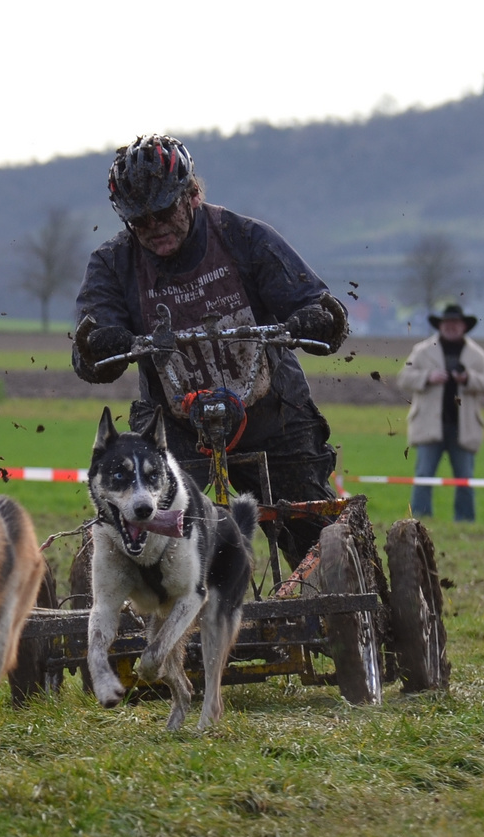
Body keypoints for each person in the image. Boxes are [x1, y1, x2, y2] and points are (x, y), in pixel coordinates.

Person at [69, 134, 350, 567]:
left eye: (163, 212)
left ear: (192, 195)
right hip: (177, 425)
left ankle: (338, 605)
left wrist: (314, 318)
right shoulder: (112, 263)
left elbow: (316, 304)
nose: (154, 227)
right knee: (164, 535)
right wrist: (100, 344)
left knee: (310, 530)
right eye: (140, 222)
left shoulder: (245, 238)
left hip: (272, 411)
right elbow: (90, 345)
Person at [396, 304, 484, 522]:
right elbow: (403, 377)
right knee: (423, 476)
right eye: (447, 323)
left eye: (456, 324)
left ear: (463, 327)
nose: (451, 327)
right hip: (429, 424)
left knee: (465, 479)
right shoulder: (422, 350)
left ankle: (465, 520)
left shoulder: (477, 355)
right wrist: (427, 377)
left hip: (464, 426)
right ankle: (420, 521)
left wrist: (468, 379)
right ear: (440, 325)